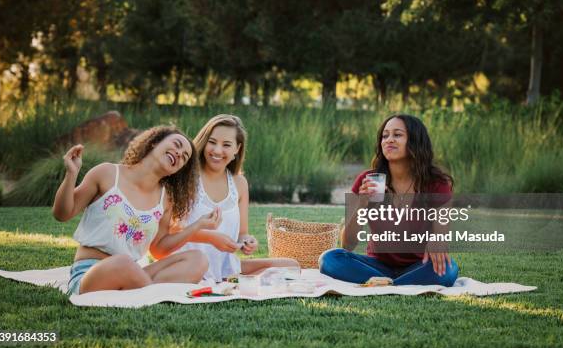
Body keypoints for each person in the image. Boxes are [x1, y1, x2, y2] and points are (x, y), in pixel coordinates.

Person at [53, 126, 221, 295]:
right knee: (123, 263)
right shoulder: (107, 173)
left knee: (198, 260)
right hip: (91, 273)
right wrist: (71, 175)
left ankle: (141, 290)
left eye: (184, 157)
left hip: (134, 273)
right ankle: (149, 293)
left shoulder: (165, 199)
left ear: (177, 170)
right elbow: (62, 214)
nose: (179, 154)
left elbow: (158, 249)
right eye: (176, 145)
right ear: (155, 143)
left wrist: (197, 226)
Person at [319, 114, 459, 286]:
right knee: (330, 259)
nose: (389, 140)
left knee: (449, 268)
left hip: (418, 265)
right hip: (376, 266)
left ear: (415, 141)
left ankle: (388, 284)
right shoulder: (368, 180)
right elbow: (347, 244)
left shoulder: (436, 184)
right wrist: (362, 204)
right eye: (385, 136)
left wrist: (437, 241)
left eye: (397, 135)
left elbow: (441, 236)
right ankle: (400, 285)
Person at [175, 114, 299, 282]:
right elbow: (171, 232)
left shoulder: (239, 183)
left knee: (291, 265)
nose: (217, 150)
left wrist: (247, 241)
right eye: (212, 142)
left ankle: (233, 279)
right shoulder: (185, 177)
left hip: (226, 267)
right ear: (204, 142)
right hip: (189, 265)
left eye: (226, 145)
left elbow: (242, 233)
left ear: (237, 149)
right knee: (275, 275)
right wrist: (211, 237)